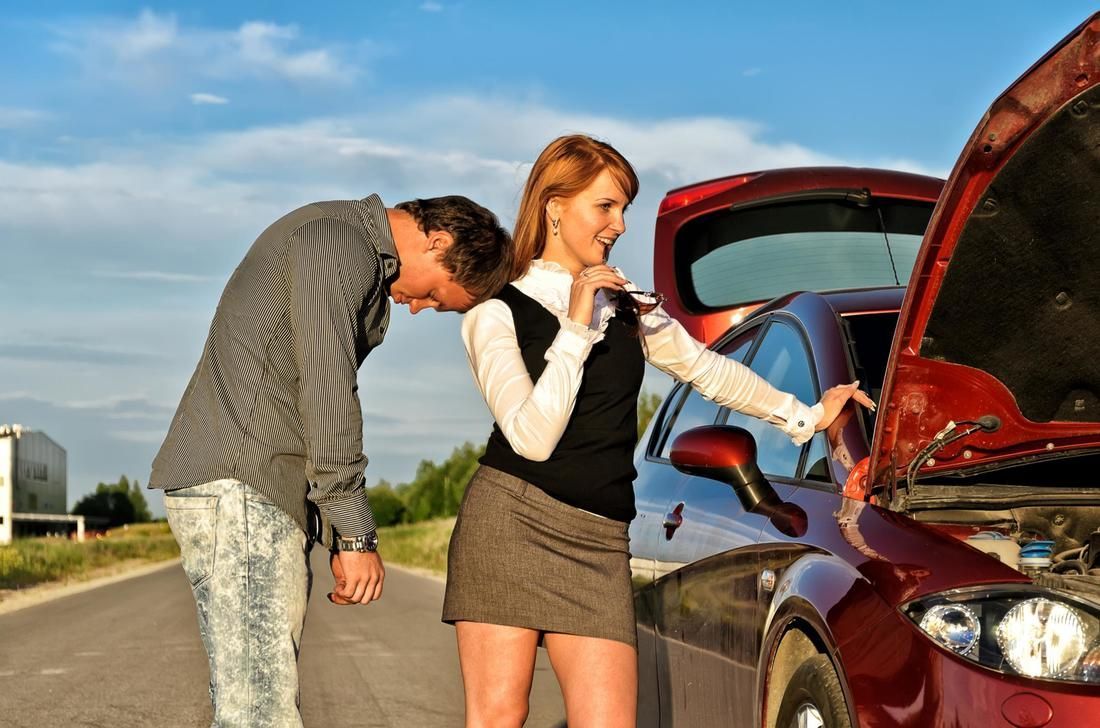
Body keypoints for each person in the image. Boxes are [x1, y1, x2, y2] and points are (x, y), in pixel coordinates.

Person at [442, 135, 874, 728]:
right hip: (511, 524)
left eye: (624, 209)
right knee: (498, 716)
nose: (619, 225)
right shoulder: (494, 315)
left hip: (598, 540)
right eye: (606, 207)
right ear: (554, 207)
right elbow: (532, 438)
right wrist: (575, 324)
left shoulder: (626, 308)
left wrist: (805, 416)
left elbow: (705, 367)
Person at [150, 194, 512, 726]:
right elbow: (327, 386)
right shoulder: (338, 243)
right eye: (436, 294)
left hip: (244, 486)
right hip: (245, 484)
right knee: (259, 711)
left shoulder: (338, 237)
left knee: (248, 704)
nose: (417, 307)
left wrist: (338, 532)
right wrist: (356, 531)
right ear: (439, 242)